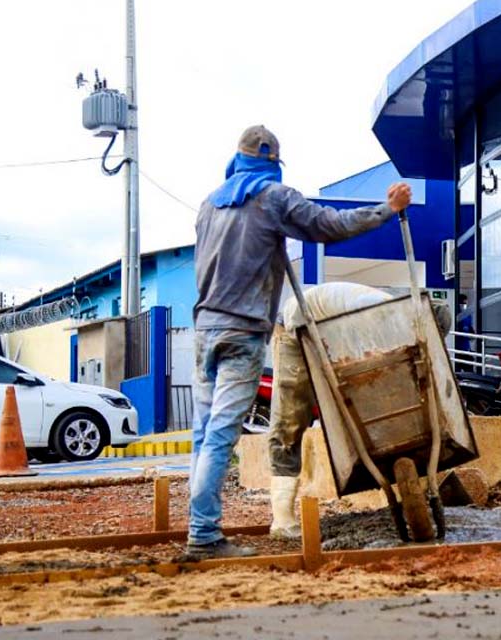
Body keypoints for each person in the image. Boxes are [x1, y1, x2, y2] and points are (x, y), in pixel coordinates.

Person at [188, 125, 412, 558]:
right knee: (220, 434)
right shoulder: (274, 197)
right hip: (243, 331)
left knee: (203, 433)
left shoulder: (208, 205)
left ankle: (199, 527)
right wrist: (387, 209)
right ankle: (204, 537)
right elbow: (329, 224)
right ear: (272, 162)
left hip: (204, 330)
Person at [268, 284, 452, 538]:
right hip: (295, 329)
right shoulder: (373, 311)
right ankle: (282, 519)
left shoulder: (396, 322)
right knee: (290, 420)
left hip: (326, 329)